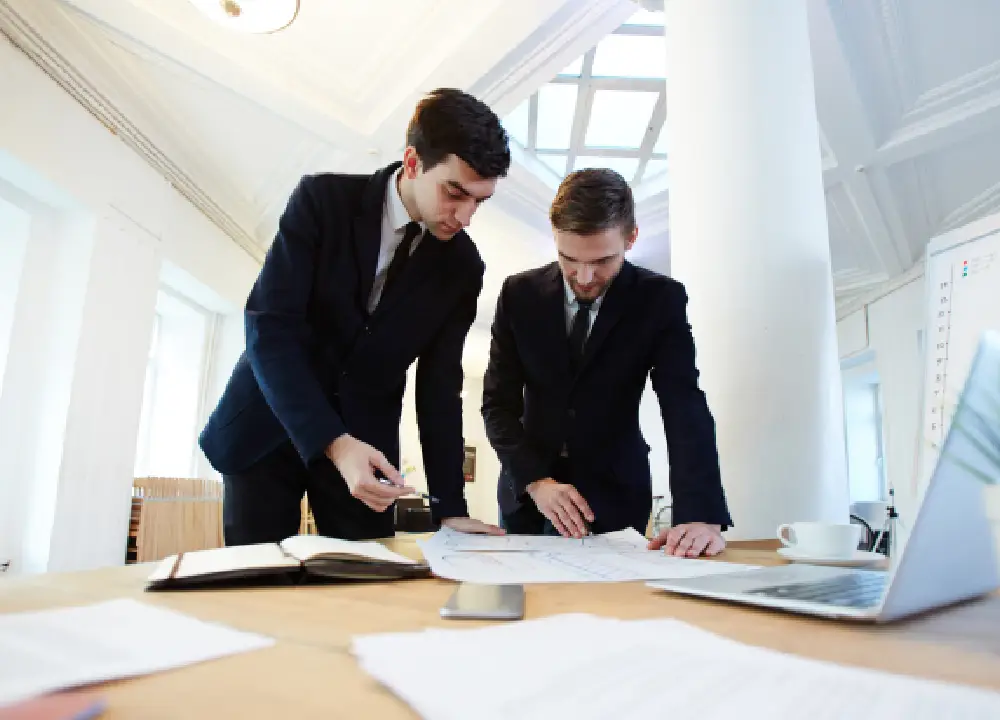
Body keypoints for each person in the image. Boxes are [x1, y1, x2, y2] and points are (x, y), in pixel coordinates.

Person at [200, 88, 509, 545]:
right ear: (412, 162)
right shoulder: (321, 201)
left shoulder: (463, 267)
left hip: (368, 451)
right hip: (269, 425)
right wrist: (333, 441)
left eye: (479, 202)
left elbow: (439, 387)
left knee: (368, 588)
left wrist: (449, 507)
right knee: (257, 588)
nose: (464, 217)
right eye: (454, 193)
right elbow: (270, 327)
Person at [481, 168, 733, 557]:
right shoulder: (519, 294)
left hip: (615, 491)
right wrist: (535, 480)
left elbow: (683, 404)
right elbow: (498, 405)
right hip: (527, 492)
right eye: (569, 259)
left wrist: (700, 511)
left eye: (602, 261)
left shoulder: (660, 300)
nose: (583, 277)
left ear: (631, 238)